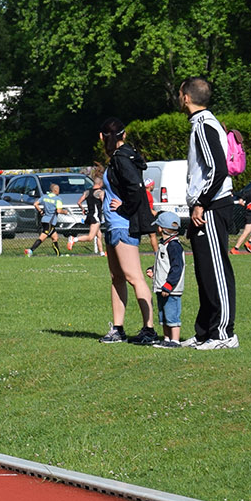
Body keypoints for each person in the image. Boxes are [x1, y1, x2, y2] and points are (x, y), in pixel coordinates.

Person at [181, 78, 238, 347]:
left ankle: (224, 334)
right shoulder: (200, 124)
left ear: (185, 98)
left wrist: (201, 202)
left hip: (213, 207)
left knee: (217, 271)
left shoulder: (204, 125)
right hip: (205, 207)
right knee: (204, 272)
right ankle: (205, 332)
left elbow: (218, 169)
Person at [98, 119, 158, 346]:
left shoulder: (122, 157)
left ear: (104, 137)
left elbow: (136, 188)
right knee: (117, 278)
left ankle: (149, 328)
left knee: (134, 277)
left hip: (122, 224)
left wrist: (122, 208)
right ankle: (118, 329)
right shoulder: (120, 156)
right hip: (113, 224)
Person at [150, 211, 187, 347]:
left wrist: (169, 285)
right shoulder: (164, 244)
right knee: (163, 316)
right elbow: (163, 263)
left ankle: (175, 340)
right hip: (161, 287)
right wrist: (153, 269)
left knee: (172, 315)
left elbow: (177, 267)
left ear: (160, 228)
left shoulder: (174, 246)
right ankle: (166, 339)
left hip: (170, 289)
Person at [23, 182, 65, 256]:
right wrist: (65, 212)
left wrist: (40, 211)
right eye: (58, 189)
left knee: (55, 237)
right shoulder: (58, 199)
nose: (59, 191)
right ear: (55, 190)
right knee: (42, 237)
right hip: (50, 221)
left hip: (44, 219)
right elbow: (59, 210)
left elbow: (35, 204)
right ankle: (30, 250)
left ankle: (58, 255)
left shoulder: (45, 197)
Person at [230, 180, 251, 254]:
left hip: (248, 213)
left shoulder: (247, 191)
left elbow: (240, 201)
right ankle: (235, 248)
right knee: (246, 233)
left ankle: (249, 242)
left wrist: (246, 206)